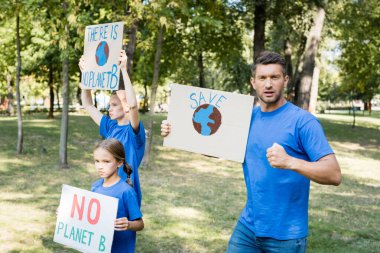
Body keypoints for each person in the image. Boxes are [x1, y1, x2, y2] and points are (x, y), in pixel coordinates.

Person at [161, 51, 342, 252]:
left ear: (285, 80)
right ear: (253, 82)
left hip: (286, 235)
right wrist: (176, 131)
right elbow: (217, 149)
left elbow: (333, 174)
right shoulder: (246, 119)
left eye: (275, 77)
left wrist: (290, 161)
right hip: (249, 227)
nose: (268, 84)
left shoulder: (303, 121)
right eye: (262, 78)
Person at [79, 50, 145, 207]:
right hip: (107, 192)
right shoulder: (110, 126)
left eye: (114, 105)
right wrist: (85, 75)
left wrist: (123, 70)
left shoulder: (134, 132)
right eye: (110, 105)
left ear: (125, 106)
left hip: (126, 195)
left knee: (123, 230)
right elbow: (88, 104)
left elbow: (133, 105)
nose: (110, 109)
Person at [92, 138, 144, 253]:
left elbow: (140, 224)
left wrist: (128, 224)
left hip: (120, 249)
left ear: (119, 162)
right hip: (98, 247)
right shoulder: (95, 187)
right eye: (97, 161)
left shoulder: (126, 191)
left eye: (106, 161)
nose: (100, 166)